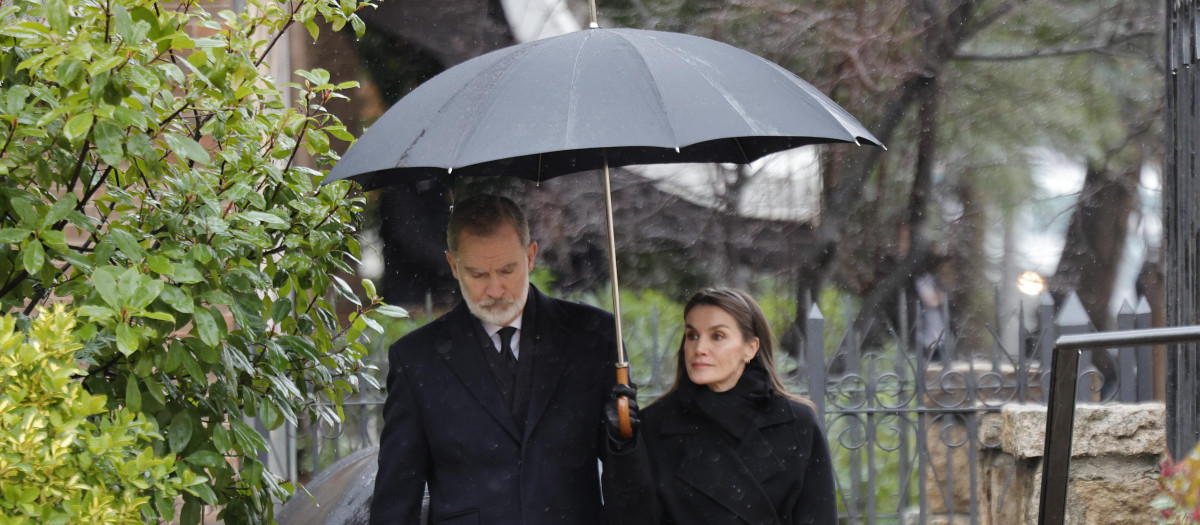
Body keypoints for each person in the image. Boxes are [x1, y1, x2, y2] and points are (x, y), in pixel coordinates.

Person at [370, 194, 637, 525]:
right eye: (478, 274)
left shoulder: (595, 337)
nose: (495, 289)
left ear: (531, 257)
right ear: (453, 266)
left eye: (507, 269)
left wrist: (625, 440)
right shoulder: (415, 360)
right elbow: (396, 499)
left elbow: (629, 485)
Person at [606, 287, 837, 525]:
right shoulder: (656, 425)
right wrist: (624, 447)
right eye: (692, 335)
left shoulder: (797, 423)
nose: (699, 349)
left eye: (717, 336)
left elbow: (819, 516)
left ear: (751, 348)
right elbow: (631, 517)